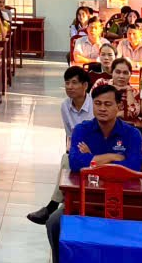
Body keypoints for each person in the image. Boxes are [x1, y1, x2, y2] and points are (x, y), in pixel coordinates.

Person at [45, 84, 142, 263]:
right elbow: (75, 162)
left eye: (108, 104)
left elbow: (134, 167)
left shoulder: (131, 134)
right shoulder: (82, 130)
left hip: (122, 201)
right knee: (54, 222)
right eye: (98, 104)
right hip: (86, 198)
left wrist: (93, 159)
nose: (102, 109)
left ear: (118, 107)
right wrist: (113, 157)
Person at [26, 67, 94, 226]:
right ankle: (60, 204)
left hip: (94, 151)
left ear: (85, 85)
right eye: (67, 83)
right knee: (67, 158)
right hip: (77, 149)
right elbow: (69, 135)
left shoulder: (94, 104)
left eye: (74, 83)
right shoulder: (65, 106)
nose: (70, 87)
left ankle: (52, 206)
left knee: (66, 160)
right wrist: (73, 150)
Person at [108, 58, 142, 123]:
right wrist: (118, 114)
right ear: (112, 72)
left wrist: (128, 90)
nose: (121, 76)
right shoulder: (101, 83)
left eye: (125, 73)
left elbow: (133, 113)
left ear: (130, 74)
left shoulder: (134, 92)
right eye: (118, 72)